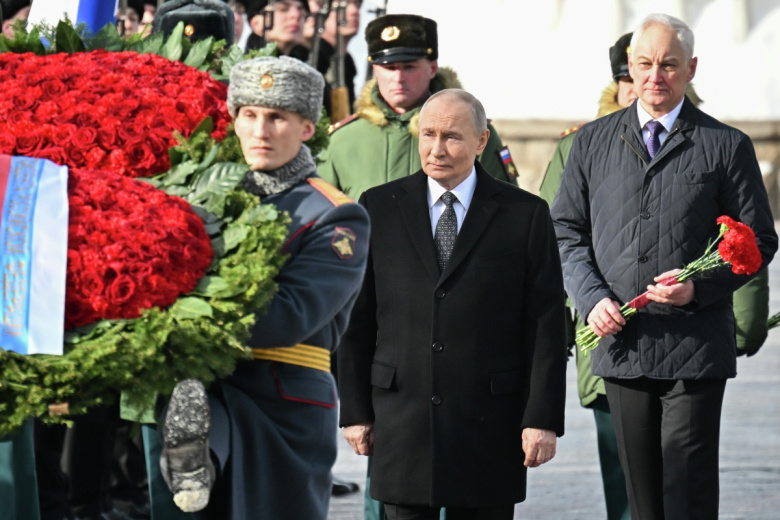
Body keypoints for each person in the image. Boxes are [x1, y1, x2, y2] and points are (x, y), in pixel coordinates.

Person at [551, 13, 777, 520]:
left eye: (669, 65)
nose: (656, 76)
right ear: (629, 67)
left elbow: (758, 240)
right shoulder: (591, 143)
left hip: (694, 348)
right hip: (622, 341)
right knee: (642, 497)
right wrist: (591, 300)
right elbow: (565, 229)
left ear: (691, 68)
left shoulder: (726, 146)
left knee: (688, 490)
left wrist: (699, 289)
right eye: (646, 64)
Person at [155, 55, 370, 520]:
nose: (261, 131)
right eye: (248, 115)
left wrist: (183, 312)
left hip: (282, 403)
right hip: (199, 391)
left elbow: (291, 314)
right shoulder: (199, 198)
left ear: (307, 127)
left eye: (277, 117)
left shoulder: (334, 214)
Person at [337, 88, 568, 520]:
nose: (436, 149)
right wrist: (354, 411)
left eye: (452, 137)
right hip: (400, 421)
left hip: (488, 424)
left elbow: (546, 325)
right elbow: (357, 318)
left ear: (482, 141)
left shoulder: (524, 214)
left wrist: (542, 419)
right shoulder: (378, 207)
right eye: (428, 134)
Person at [318, 14, 519, 201]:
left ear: (432, 68)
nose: (398, 78)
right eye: (389, 68)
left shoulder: (472, 131)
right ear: (375, 69)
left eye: (409, 67)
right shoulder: (342, 140)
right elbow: (322, 220)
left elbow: (506, 208)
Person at [304, 0, 361, 111]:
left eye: (357, 4)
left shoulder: (347, 64)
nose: (354, 11)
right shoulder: (306, 59)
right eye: (341, 4)